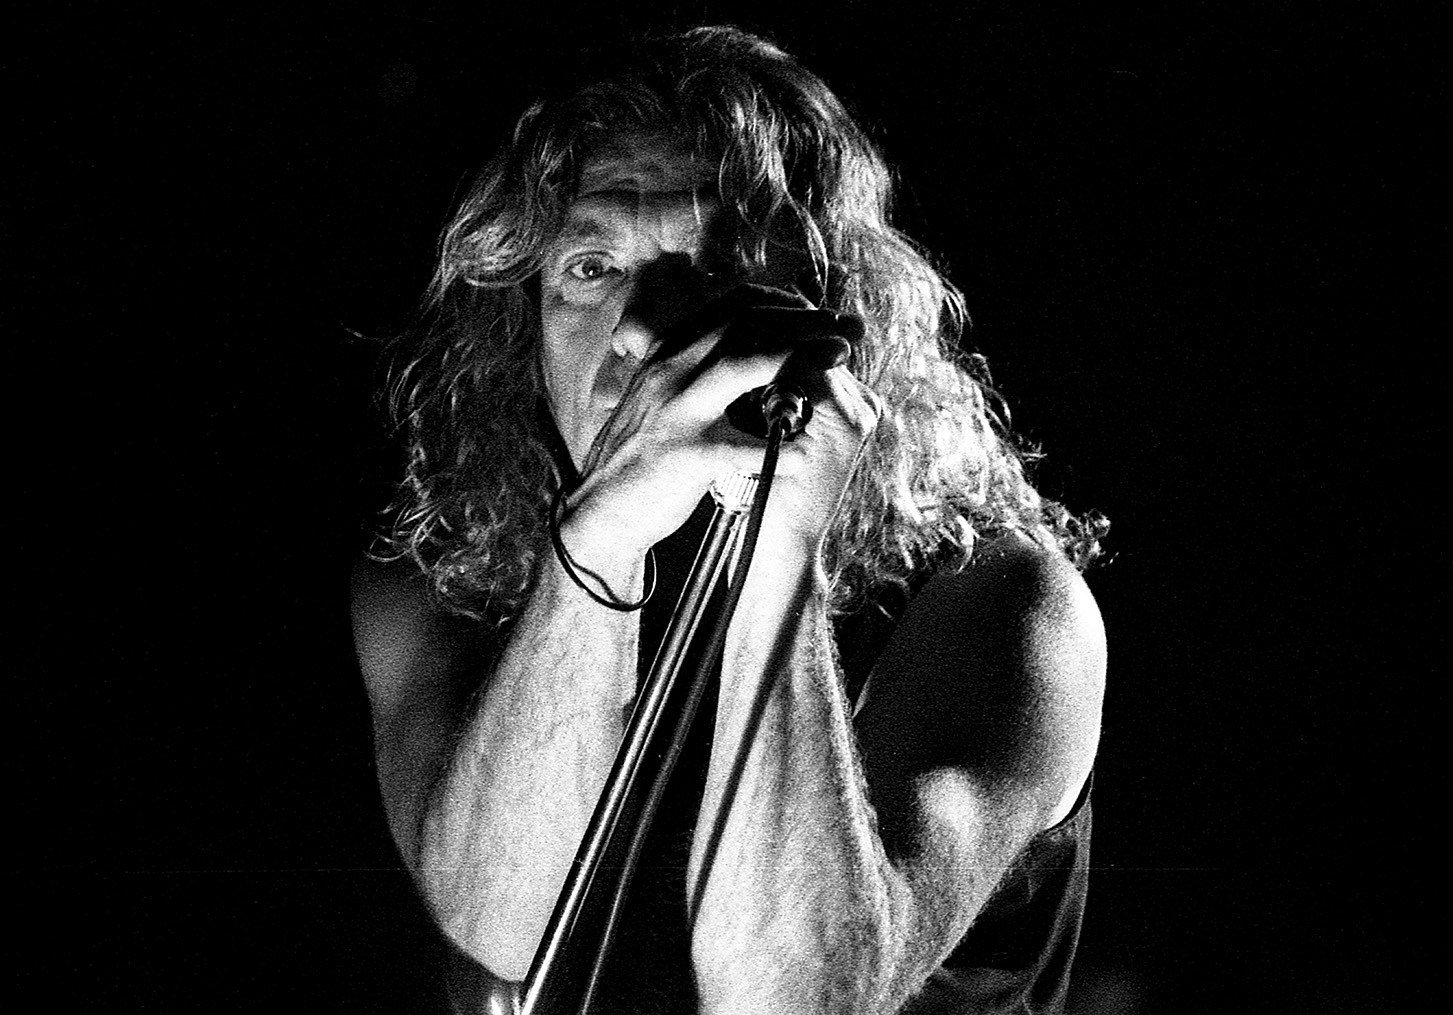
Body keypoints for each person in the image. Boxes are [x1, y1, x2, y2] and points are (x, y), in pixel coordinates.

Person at [351, 26, 1108, 1015]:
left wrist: (779, 547)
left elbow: (789, 1002)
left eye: (712, 264)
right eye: (590, 267)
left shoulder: (1007, 608)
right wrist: (600, 544)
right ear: (524, 327)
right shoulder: (433, 578)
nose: (641, 326)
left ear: (827, 311)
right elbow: (506, 938)